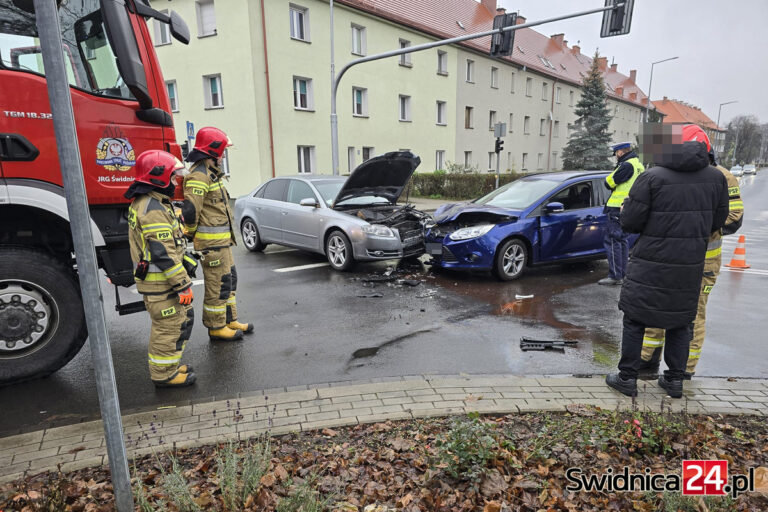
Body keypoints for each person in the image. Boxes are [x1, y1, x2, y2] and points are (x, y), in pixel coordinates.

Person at [605, 124, 729, 398]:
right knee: (681, 322)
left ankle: (627, 378)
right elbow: (718, 222)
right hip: (689, 264)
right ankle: (674, 381)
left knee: (635, 319)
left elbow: (631, 223)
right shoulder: (716, 178)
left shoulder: (652, 177)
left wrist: (627, 211)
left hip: (650, 262)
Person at [638, 147, 744, 379]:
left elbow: (734, 219)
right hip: (670, 258)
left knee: (693, 315)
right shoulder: (668, 174)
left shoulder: (722, 177)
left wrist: (697, 228)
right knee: (656, 308)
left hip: (703, 261)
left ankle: (684, 369)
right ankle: (647, 357)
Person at [126, 150, 198, 387]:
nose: (176, 181)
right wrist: (183, 284)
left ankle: (171, 366)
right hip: (162, 283)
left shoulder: (153, 203)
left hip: (161, 282)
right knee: (168, 327)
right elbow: (163, 253)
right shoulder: (153, 208)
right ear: (158, 178)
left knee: (180, 321)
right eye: (173, 177)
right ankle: (164, 375)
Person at [181, 127, 253, 341]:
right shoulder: (199, 176)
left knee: (230, 281)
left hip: (222, 243)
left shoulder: (211, 173)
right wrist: (193, 235)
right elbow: (191, 211)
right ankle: (216, 327)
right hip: (211, 246)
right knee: (217, 285)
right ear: (211, 151)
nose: (223, 157)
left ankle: (230, 320)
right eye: (221, 152)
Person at [599, 142, 645, 285]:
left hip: (616, 208)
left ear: (620, 152)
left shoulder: (626, 165)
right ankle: (623, 273)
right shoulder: (639, 165)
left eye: (616, 154)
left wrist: (611, 176)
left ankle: (615, 276)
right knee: (623, 241)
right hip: (629, 208)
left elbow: (609, 183)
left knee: (612, 241)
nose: (616, 157)